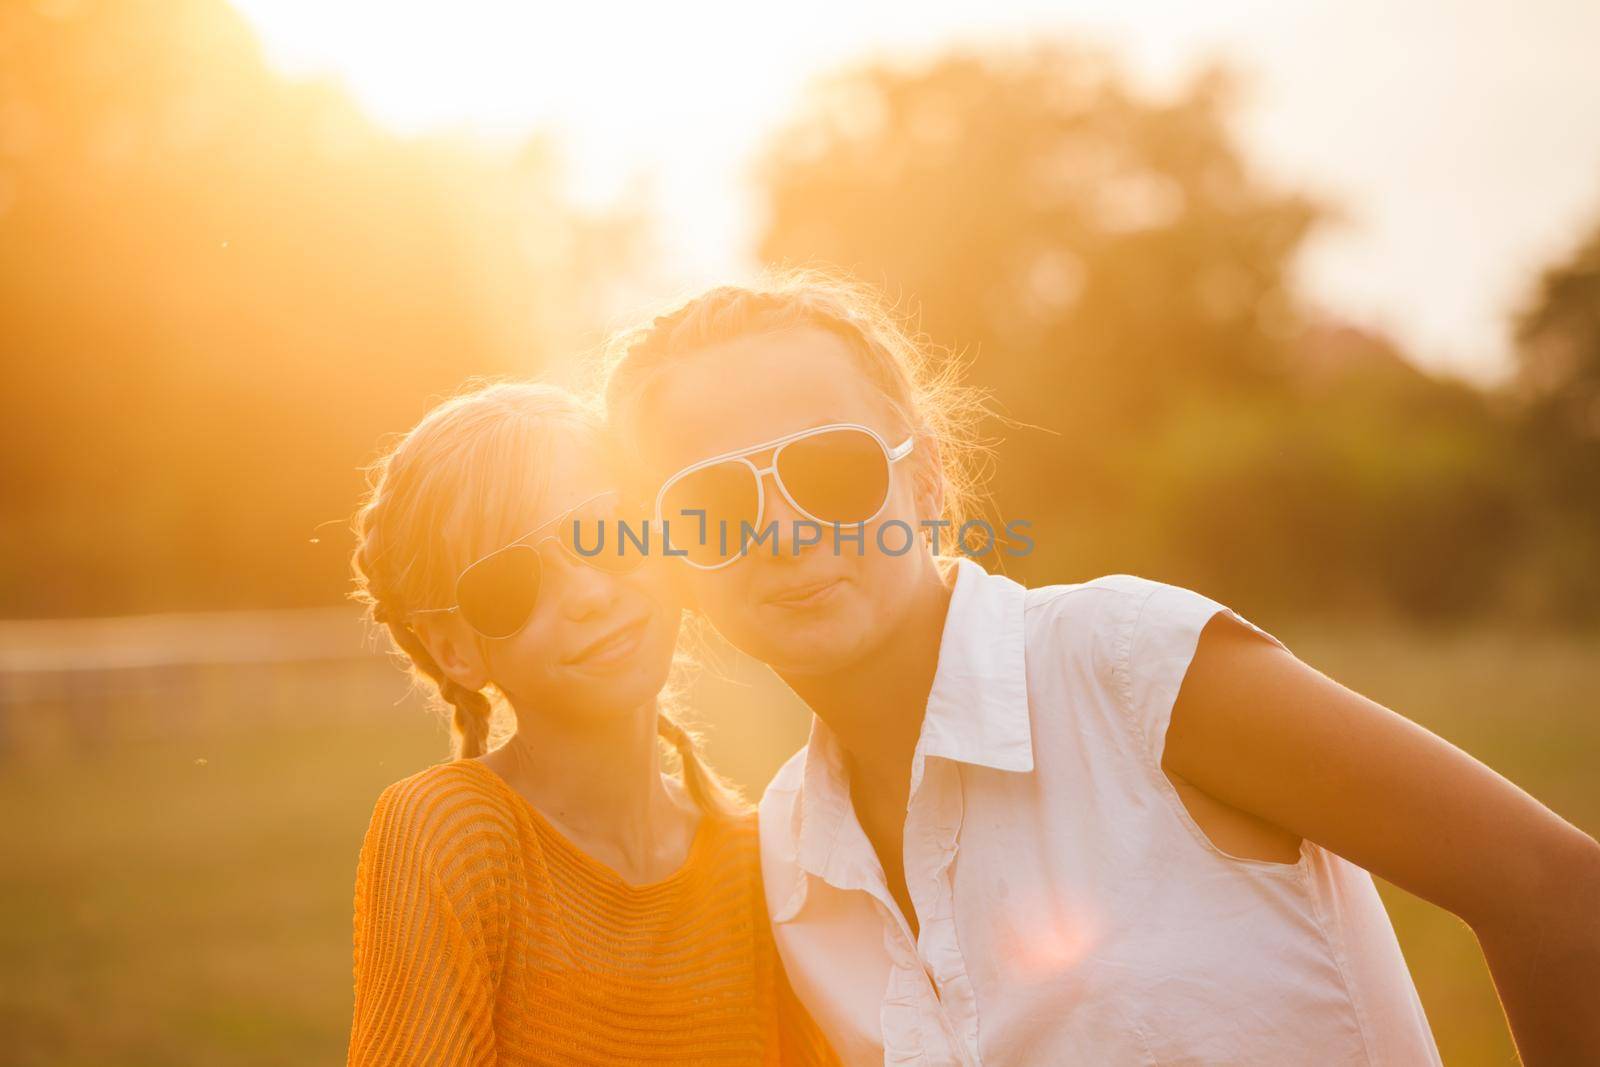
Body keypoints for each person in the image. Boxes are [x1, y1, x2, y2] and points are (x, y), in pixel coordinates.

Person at [601, 272, 1600, 1066]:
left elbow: (1555, 889)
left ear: (928, 472)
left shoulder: (1127, 664)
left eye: (832, 469)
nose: (783, 530)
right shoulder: (785, 852)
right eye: (715, 502)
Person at [346, 380, 837, 1066]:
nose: (588, 595)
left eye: (605, 532)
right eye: (511, 582)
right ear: (451, 647)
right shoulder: (450, 834)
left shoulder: (762, 863)